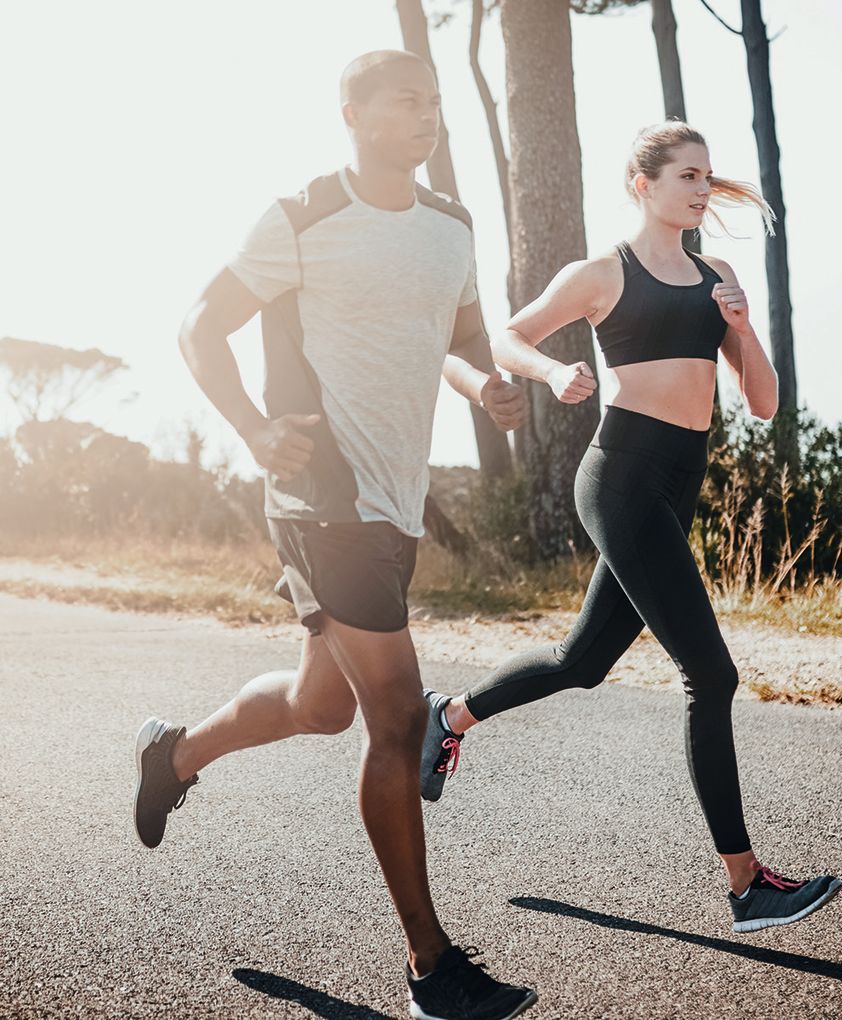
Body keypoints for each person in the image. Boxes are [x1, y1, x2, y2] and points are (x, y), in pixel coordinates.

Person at [132, 50, 538, 1020]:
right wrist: (251, 428)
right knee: (397, 716)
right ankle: (430, 967)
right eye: (407, 101)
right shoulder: (302, 215)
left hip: (393, 504)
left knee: (323, 706)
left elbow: (460, 337)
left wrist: (487, 384)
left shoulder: (451, 225)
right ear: (350, 112)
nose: (426, 116)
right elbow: (199, 325)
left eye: (434, 103)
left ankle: (173, 756)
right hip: (321, 497)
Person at [419, 121, 840, 935]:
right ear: (642, 183)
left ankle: (449, 717)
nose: (700, 189)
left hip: (679, 481)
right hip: (620, 476)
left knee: (583, 662)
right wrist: (552, 371)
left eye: (707, 178)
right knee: (710, 676)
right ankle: (748, 886)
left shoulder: (717, 276)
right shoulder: (603, 272)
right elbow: (511, 334)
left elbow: (763, 403)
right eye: (686, 175)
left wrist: (743, 326)